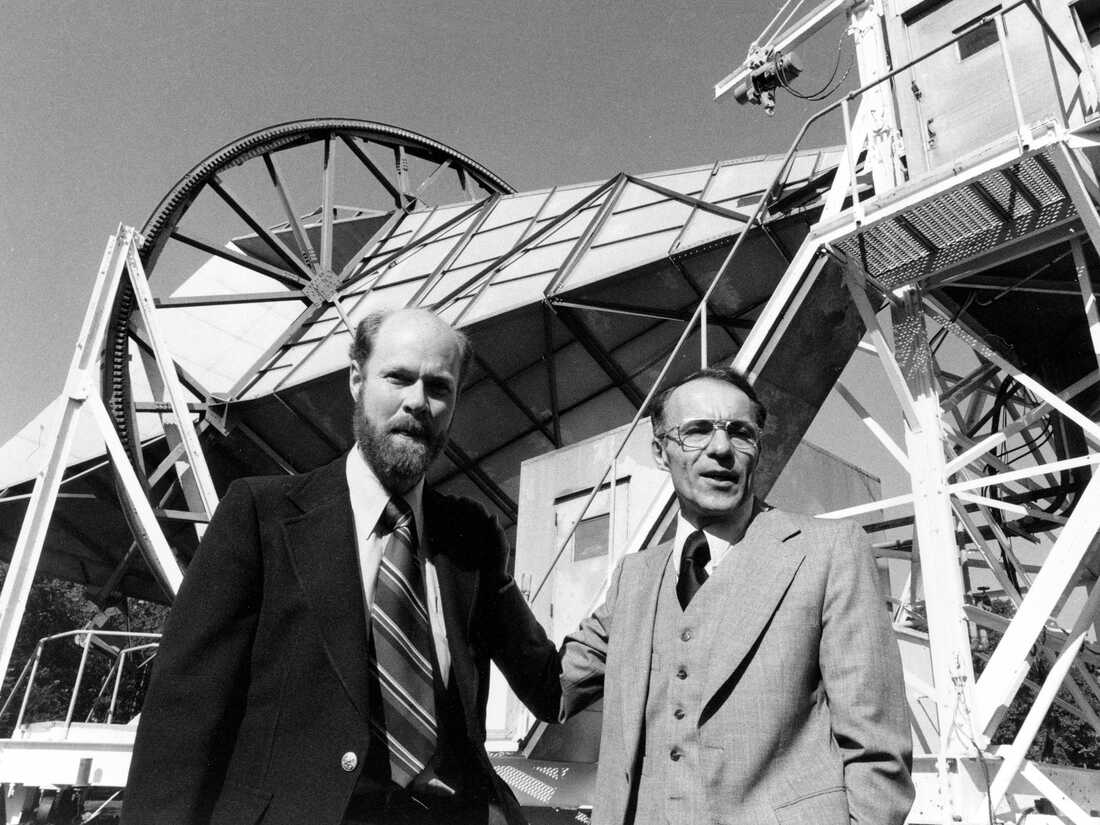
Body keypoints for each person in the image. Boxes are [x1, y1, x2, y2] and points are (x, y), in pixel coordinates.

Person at [121, 308, 560, 825]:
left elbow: (546, 682)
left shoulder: (471, 536)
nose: (417, 402)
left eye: (439, 387)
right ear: (356, 380)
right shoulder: (261, 516)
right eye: (398, 378)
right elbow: (182, 718)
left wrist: (636, 591)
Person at [558, 367, 914, 825]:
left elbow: (877, 754)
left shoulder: (829, 552)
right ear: (660, 452)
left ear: (757, 450)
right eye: (697, 431)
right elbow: (555, 688)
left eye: (740, 433)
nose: (722, 448)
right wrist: (485, 577)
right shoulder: (634, 577)